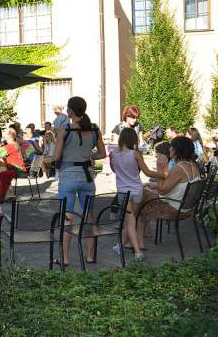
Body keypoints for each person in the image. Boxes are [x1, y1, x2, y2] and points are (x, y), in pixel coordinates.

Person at [53, 96, 106, 267]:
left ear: (70, 111)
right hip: (87, 176)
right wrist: (89, 156)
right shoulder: (94, 128)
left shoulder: (64, 130)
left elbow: (56, 157)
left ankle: (65, 258)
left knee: (67, 217)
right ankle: (90, 255)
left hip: (68, 176)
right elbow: (102, 154)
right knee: (88, 216)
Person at [109, 128, 164, 260]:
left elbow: (114, 170)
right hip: (137, 190)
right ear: (133, 139)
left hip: (123, 191)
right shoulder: (136, 154)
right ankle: (121, 245)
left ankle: (137, 252)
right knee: (131, 219)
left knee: (129, 220)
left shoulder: (113, 154)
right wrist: (163, 175)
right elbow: (147, 172)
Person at [139, 137, 202, 248]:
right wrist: (153, 185)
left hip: (176, 210)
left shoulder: (179, 168)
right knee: (143, 193)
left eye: (171, 146)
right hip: (188, 208)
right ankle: (141, 236)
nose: (169, 149)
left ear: (177, 149)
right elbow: (177, 185)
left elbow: (162, 190)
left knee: (139, 198)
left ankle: (136, 241)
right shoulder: (192, 165)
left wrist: (160, 169)